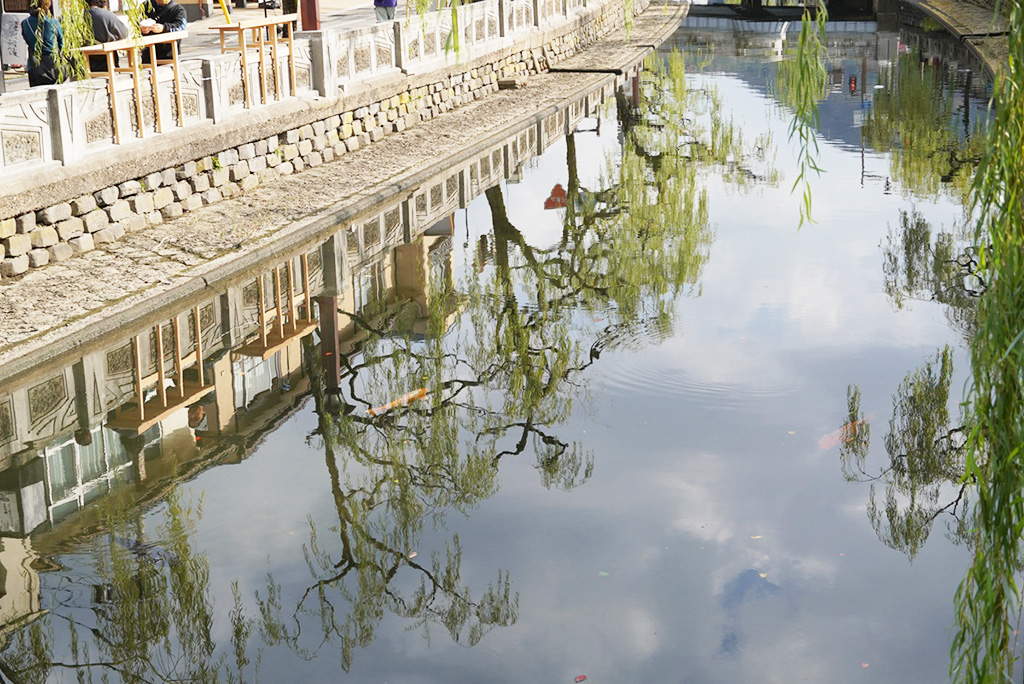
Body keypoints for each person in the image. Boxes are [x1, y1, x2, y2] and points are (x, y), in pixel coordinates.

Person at [20, 0, 64, 87]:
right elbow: (61, 44)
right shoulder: (53, 23)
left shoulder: (25, 23)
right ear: (48, 6)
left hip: (35, 67)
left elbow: (27, 40)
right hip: (53, 66)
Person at [85, 0, 127, 73]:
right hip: (108, 63)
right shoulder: (107, 16)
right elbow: (124, 33)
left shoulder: (75, 18)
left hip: (85, 64)